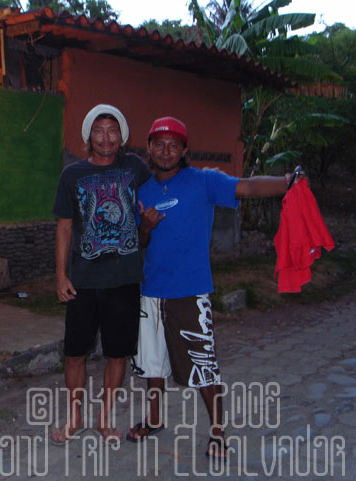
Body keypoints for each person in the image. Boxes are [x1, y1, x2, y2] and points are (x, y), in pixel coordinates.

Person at [127, 116, 302, 459]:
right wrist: (145, 227)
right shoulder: (141, 191)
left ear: (184, 150)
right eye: (159, 144)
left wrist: (287, 182)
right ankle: (155, 418)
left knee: (203, 364)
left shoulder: (204, 181)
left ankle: (218, 430)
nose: (166, 151)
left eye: (173, 145)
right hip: (151, 291)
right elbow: (140, 242)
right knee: (151, 363)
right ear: (149, 148)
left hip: (191, 291)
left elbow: (247, 187)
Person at [52, 104, 151, 443]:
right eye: (99, 130)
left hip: (123, 280)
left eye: (112, 130)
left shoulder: (135, 167)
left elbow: (161, 190)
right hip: (83, 280)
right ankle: (74, 418)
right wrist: (60, 275)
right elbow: (64, 226)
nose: (106, 137)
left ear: (121, 136)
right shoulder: (71, 175)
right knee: (74, 354)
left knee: (117, 354)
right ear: (88, 137)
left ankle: (104, 419)